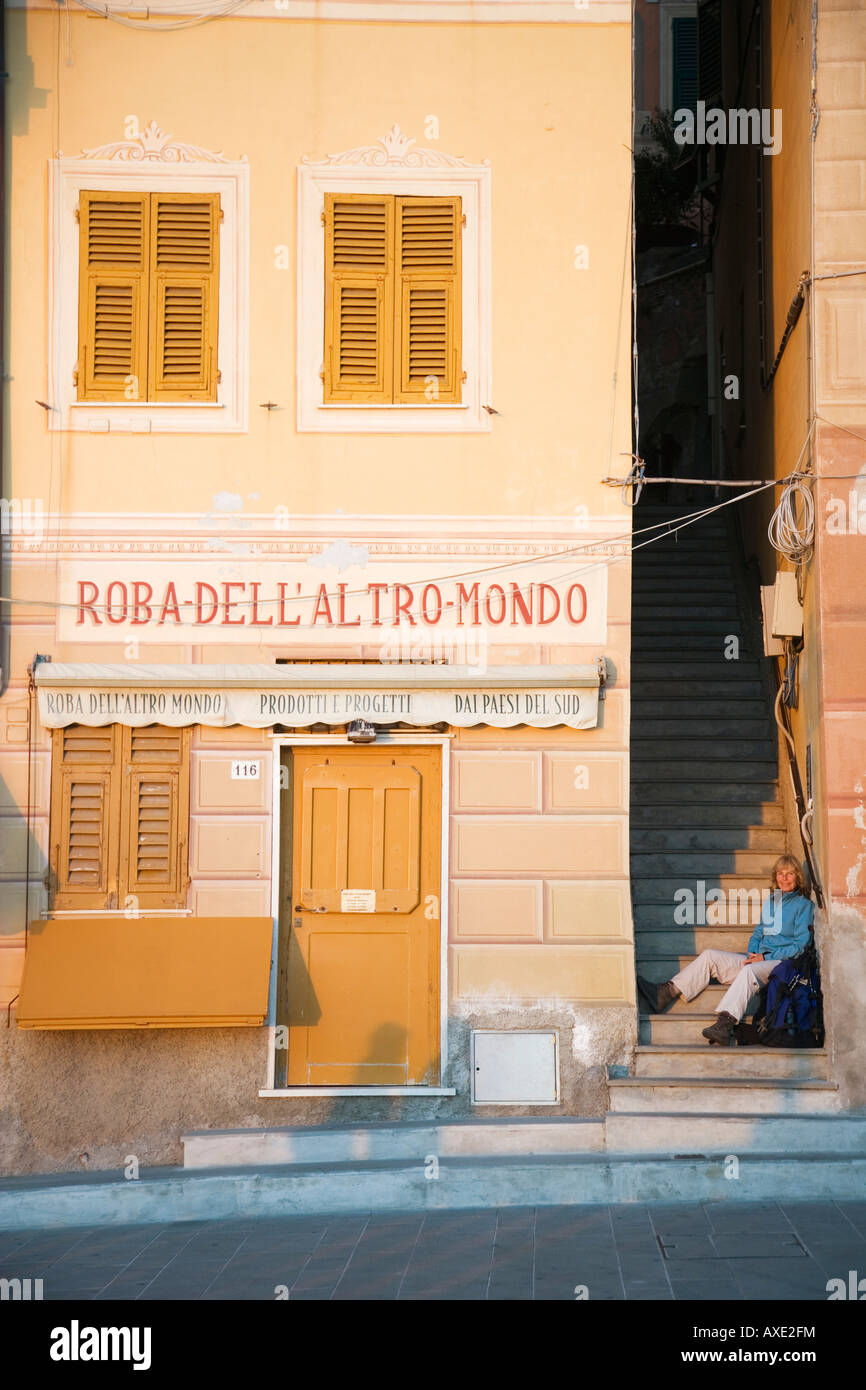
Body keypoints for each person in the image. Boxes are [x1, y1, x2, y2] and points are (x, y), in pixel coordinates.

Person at [636, 855, 815, 1045]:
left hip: (782, 965)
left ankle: (724, 1023)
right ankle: (665, 992)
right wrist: (751, 954)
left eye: (789, 874)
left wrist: (765, 956)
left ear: (798, 877)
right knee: (710, 956)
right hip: (758, 961)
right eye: (780, 873)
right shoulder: (773, 901)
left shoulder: (804, 906)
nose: (784, 878)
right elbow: (758, 932)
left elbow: (800, 946)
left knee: (748, 971)